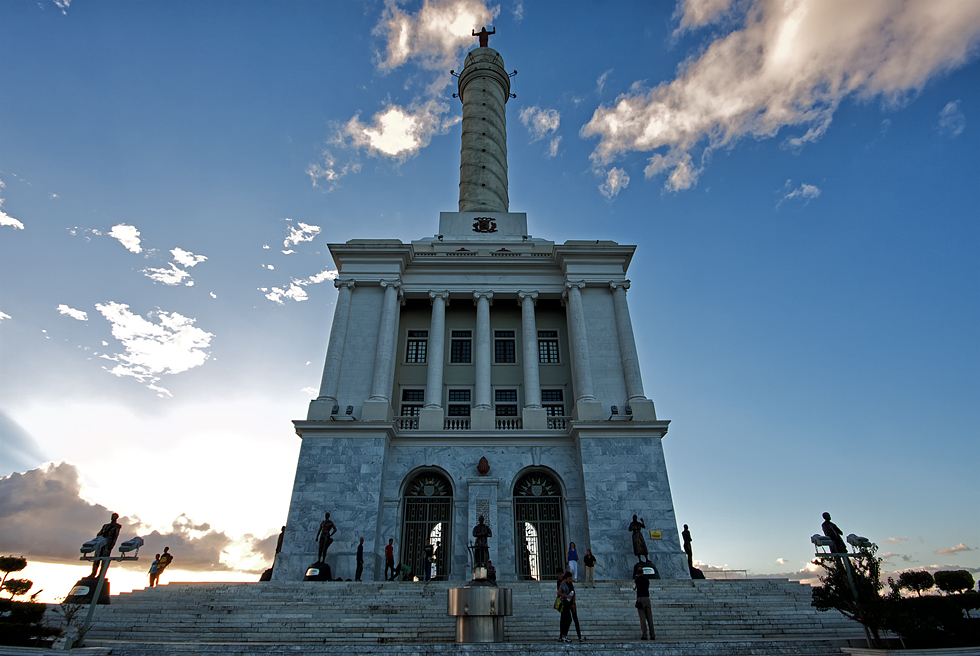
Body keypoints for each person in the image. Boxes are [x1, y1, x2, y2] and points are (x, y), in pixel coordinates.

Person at [90, 512, 122, 578]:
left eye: (114, 516)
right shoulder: (105, 525)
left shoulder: (117, 526)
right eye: (112, 516)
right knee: (97, 558)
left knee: (104, 560)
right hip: (101, 542)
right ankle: (93, 573)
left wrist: (112, 545)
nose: (112, 518)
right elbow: (99, 533)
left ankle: (101, 575)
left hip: (108, 543)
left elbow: (115, 536)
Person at [633, 567, 656, 640]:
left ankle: (644, 635)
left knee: (642, 618)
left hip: (640, 599)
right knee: (649, 617)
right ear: (643, 572)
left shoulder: (637, 580)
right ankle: (652, 635)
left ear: (637, 573)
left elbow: (634, 588)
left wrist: (635, 581)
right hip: (647, 598)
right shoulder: (647, 580)